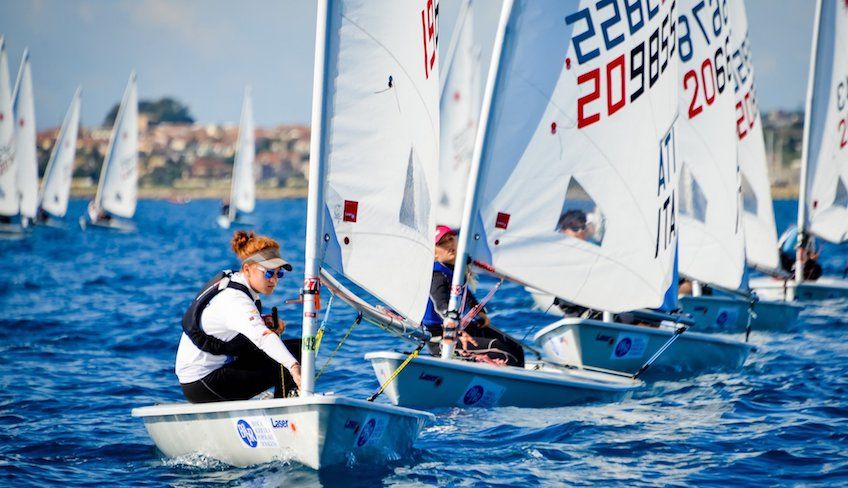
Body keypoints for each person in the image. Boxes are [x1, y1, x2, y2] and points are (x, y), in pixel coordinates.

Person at [176, 230, 302, 403]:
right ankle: (288, 409)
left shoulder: (236, 283)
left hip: (210, 376)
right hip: (202, 383)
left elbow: (234, 325)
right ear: (247, 269)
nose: (274, 280)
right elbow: (262, 338)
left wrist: (263, 321)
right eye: (268, 273)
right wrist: (294, 368)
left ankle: (286, 402)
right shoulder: (236, 299)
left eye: (278, 273)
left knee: (297, 347)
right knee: (292, 356)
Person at [421, 225, 525, 367]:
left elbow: (465, 294)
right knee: (505, 354)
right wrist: (454, 329)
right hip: (443, 336)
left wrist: (481, 313)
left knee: (516, 347)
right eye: (441, 243)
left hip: (463, 328)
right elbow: (441, 304)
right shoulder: (437, 275)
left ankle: (522, 386)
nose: (449, 245)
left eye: (451, 239)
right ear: (434, 253)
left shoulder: (454, 272)